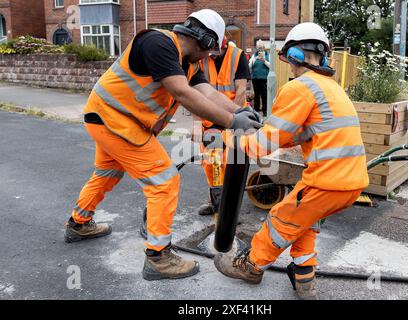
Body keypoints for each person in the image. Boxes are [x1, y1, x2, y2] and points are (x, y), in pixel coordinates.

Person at [64, 9, 262, 282]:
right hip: (115, 119)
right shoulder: (158, 43)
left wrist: (241, 114)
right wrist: (231, 122)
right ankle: (159, 257)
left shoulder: (188, 63)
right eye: (210, 50)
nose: (209, 57)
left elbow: (206, 93)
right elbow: (182, 92)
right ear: (204, 40)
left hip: (111, 120)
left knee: (108, 173)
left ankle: (79, 223)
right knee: (164, 181)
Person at [213, 22, 369, 299]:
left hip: (327, 182)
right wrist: (269, 132)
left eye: (289, 58)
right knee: (304, 222)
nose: (291, 66)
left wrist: (232, 139)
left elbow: (263, 147)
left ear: (296, 54)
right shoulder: (331, 88)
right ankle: (305, 278)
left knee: (281, 219)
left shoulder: (300, 87)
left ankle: (251, 266)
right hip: (351, 183)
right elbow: (301, 134)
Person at [196, 36, 252, 216]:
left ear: (223, 45)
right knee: (211, 163)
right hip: (209, 119)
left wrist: (230, 121)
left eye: (215, 52)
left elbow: (241, 91)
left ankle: (230, 208)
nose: (211, 56)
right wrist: (197, 125)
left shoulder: (238, 56)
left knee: (232, 163)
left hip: (234, 118)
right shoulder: (201, 57)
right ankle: (215, 201)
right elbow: (194, 93)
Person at [248, 39, 270, 116]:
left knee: (264, 95)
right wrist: (254, 59)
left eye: (261, 47)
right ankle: (256, 110)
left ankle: (265, 111)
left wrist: (264, 61)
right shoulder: (254, 55)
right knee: (256, 95)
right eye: (258, 48)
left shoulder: (268, 55)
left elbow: (271, 66)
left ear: (264, 47)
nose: (260, 49)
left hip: (264, 78)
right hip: (255, 78)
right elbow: (249, 66)